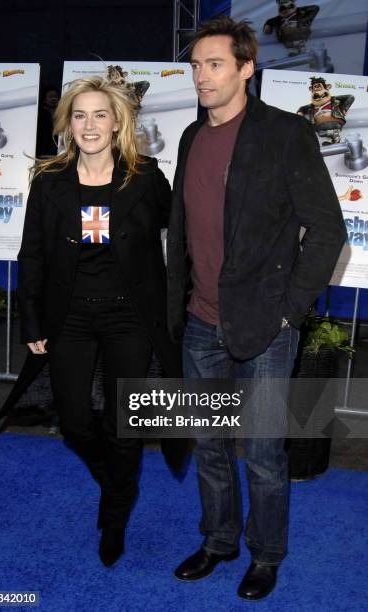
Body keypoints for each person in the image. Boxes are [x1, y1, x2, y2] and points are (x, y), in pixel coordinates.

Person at [166, 16, 346, 601]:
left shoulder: (285, 135)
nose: (202, 75)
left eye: (214, 63)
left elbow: (326, 230)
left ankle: (266, 555)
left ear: (247, 68)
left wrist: (290, 311)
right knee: (210, 446)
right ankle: (219, 541)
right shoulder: (192, 137)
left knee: (265, 455)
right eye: (195, 65)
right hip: (200, 322)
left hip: (267, 326)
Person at [17, 75, 183, 568]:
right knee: (72, 422)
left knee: (122, 423)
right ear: (68, 123)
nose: (89, 125)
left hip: (129, 317)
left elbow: (186, 233)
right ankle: (120, 484)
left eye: (100, 115)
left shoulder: (146, 177)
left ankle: (114, 516)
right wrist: (30, 321)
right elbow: (32, 255)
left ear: (118, 124)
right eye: (80, 115)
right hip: (68, 318)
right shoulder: (48, 182)